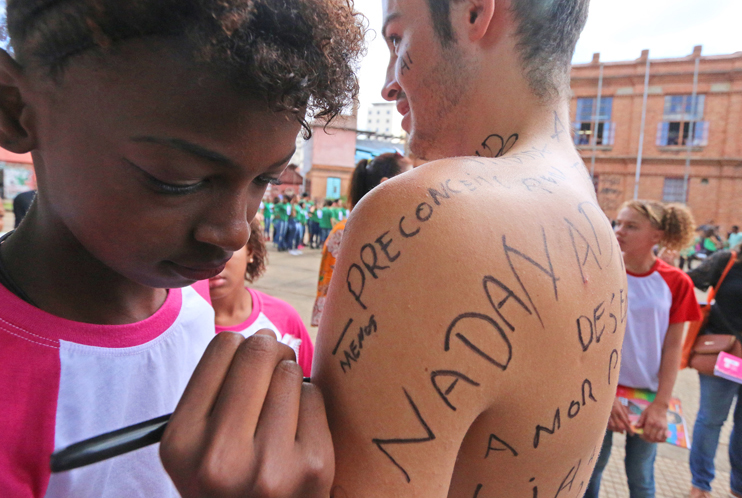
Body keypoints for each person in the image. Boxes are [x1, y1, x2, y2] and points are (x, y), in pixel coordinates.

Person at [166, 0, 629, 496]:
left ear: (474, 12)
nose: (388, 83)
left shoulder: (435, 215)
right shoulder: (593, 222)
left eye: (397, 38)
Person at [0, 0, 363, 496]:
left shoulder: (195, 310)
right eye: (176, 179)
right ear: (14, 107)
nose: (236, 232)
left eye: (265, 179)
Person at [585, 200, 701, 498]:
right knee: (589, 474)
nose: (619, 231)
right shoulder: (598, 271)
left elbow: (673, 348)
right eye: (618, 223)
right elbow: (586, 341)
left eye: (631, 226)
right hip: (601, 394)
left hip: (648, 398)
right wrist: (605, 396)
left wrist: (661, 405)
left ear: (657, 236)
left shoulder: (677, 282)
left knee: (641, 477)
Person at [686, 217, 742, 498]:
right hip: (723, 356)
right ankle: (700, 484)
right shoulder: (727, 261)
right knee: (711, 420)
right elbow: (687, 282)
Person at [311, 153, 410, 327]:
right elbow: (328, 295)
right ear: (387, 186)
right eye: (412, 178)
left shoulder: (402, 231)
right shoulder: (345, 232)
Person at [209, 218, 314, 376]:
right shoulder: (179, 329)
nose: (212, 261)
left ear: (249, 252)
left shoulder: (285, 317)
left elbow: (311, 382)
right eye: (196, 250)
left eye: (227, 246)